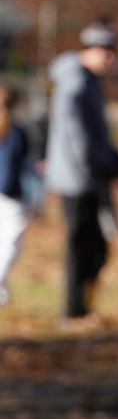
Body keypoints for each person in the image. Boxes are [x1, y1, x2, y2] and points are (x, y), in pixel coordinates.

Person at [46, 21, 118, 323]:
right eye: (105, 51)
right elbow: (78, 137)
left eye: (112, 50)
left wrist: (115, 158)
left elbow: (96, 136)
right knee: (80, 246)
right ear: (89, 50)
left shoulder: (90, 81)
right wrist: (106, 162)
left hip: (91, 176)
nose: (110, 57)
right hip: (77, 179)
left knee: (97, 247)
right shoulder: (75, 83)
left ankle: (83, 307)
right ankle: (72, 311)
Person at [0, 87, 31, 305]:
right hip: (10, 195)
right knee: (11, 244)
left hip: (10, 193)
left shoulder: (17, 132)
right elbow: (24, 164)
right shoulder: (17, 133)